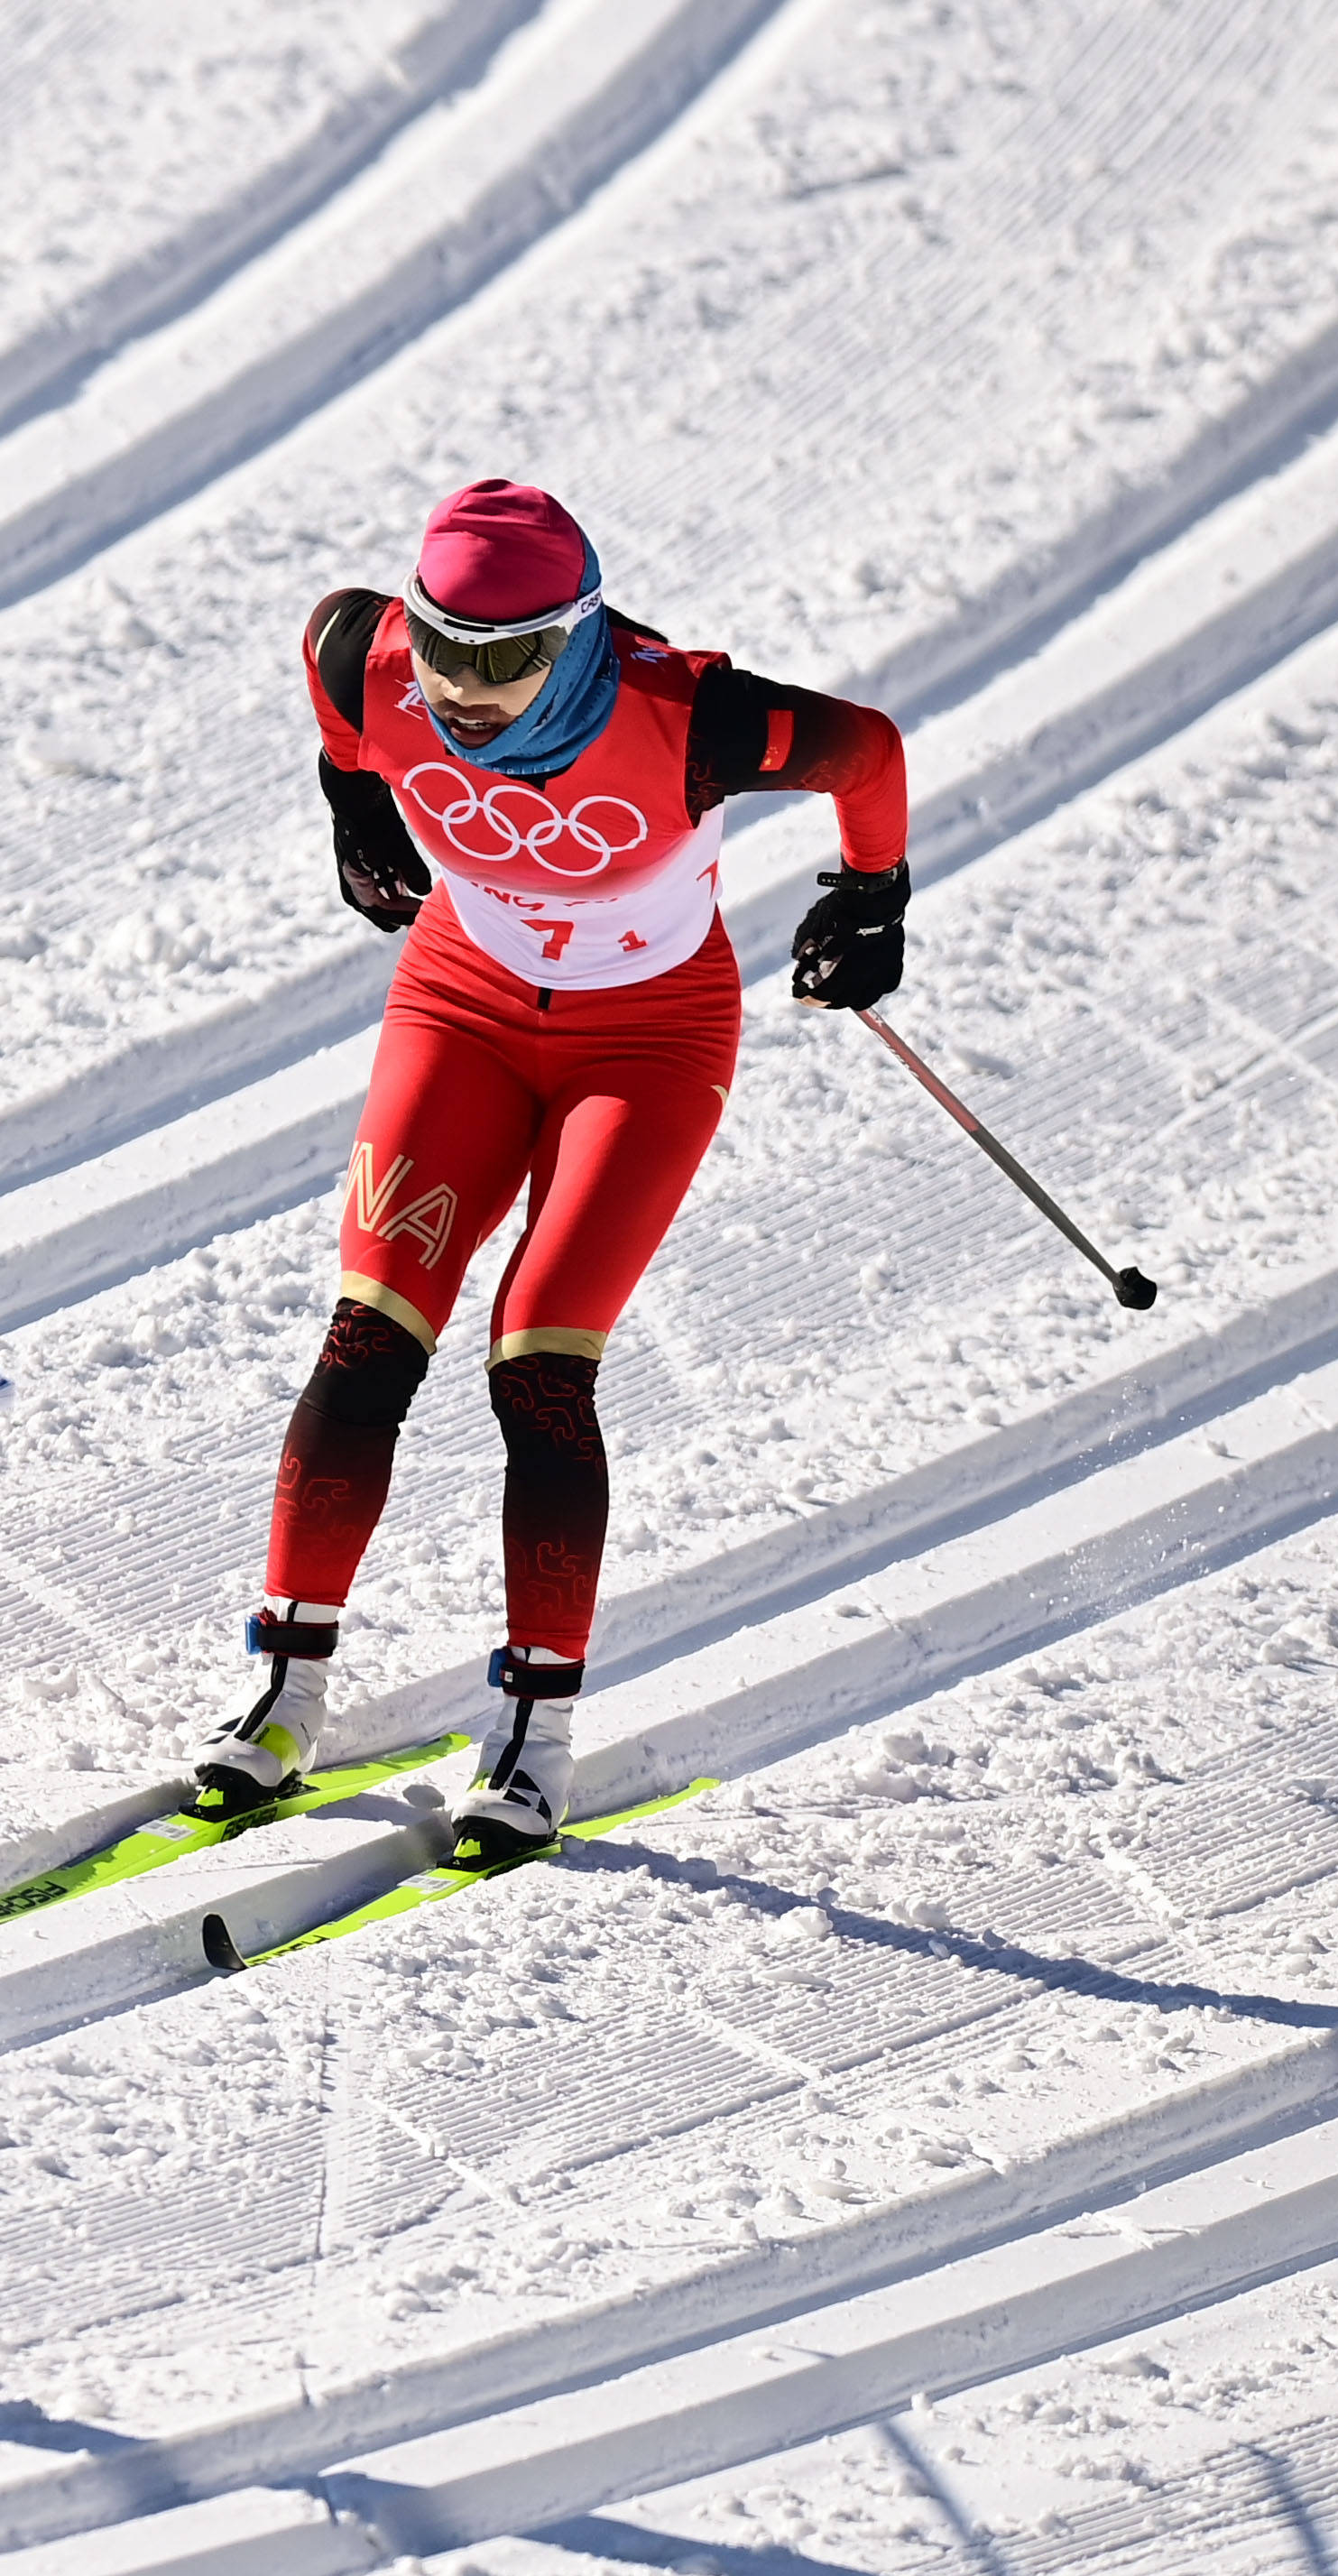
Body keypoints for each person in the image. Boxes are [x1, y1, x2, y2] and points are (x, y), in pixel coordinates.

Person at [193, 480, 906, 1857]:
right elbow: (333, 666)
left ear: (577, 635)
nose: (462, 692)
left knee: (536, 1360)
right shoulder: (370, 655)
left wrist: (872, 894)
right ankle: (286, 1688)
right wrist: (351, 797)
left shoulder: (689, 718)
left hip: (644, 1041)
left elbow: (865, 751)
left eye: (505, 660)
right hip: (461, 1003)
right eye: (444, 648)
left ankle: (536, 1729)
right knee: (367, 1334)